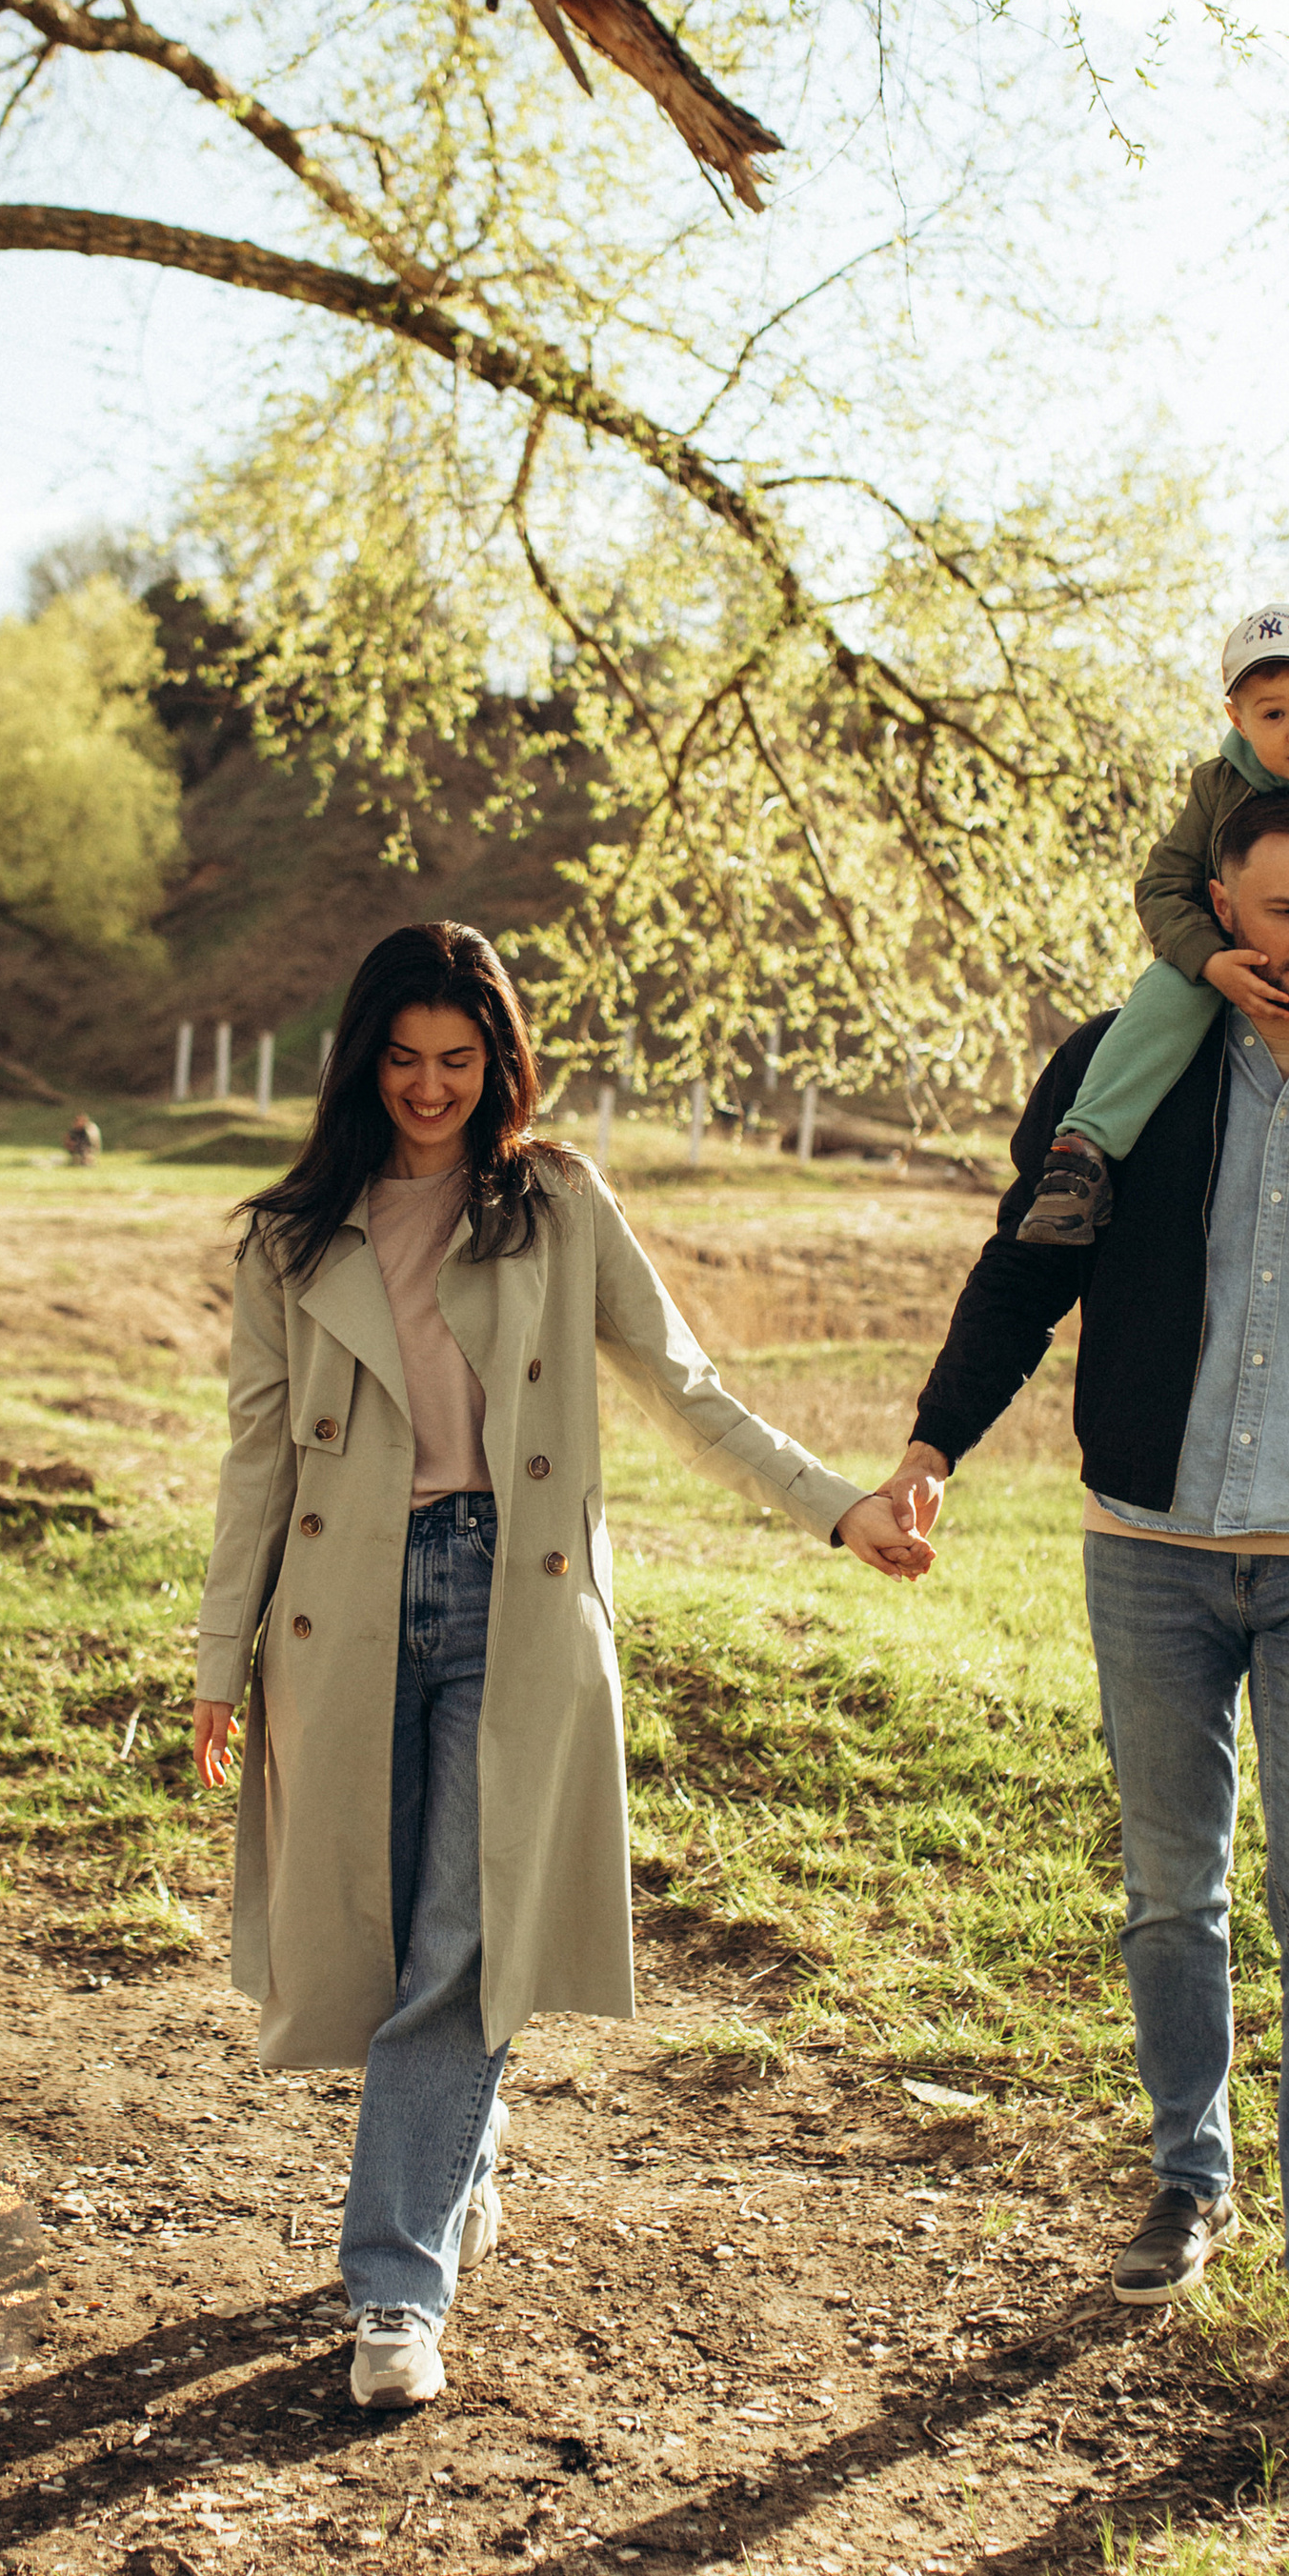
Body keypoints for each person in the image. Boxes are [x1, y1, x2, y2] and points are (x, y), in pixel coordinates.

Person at [191, 920, 933, 2413]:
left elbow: (686, 1388)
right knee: (396, 1938)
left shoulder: (559, 1207)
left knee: (469, 1940)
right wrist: (220, 1661)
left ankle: (393, 2292)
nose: (429, 1088)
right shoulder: (287, 1237)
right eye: (402, 1060)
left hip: (513, 1602)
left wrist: (839, 1511)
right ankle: (458, 2150)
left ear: (501, 1063)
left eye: (459, 1062)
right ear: (361, 1064)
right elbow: (259, 1460)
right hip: (342, 1613)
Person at [874, 794, 1289, 2438]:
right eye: (1282, 910)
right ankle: (1187, 2177)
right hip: (1149, 1549)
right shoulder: (1129, 1069)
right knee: (1172, 1894)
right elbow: (1025, 1272)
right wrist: (935, 1442)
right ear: (1215, 903)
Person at [1019, 605, 1289, 1316]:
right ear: (1236, 716)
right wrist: (1209, 959)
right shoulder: (1219, 786)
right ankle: (1081, 1159)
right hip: (1235, 959)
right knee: (1164, 997)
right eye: (1272, 713)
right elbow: (1163, 885)